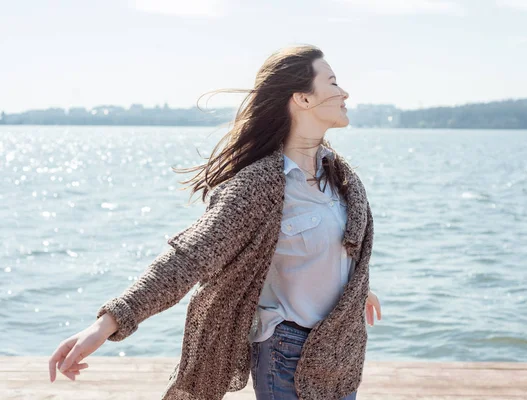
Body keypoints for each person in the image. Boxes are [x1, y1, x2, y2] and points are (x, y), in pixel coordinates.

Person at [48, 44, 382, 400]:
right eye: (332, 83)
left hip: (341, 354)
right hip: (288, 356)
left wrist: (356, 286)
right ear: (302, 98)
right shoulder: (259, 185)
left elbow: (338, 246)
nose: (344, 92)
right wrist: (107, 323)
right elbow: (189, 258)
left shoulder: (341, 177)